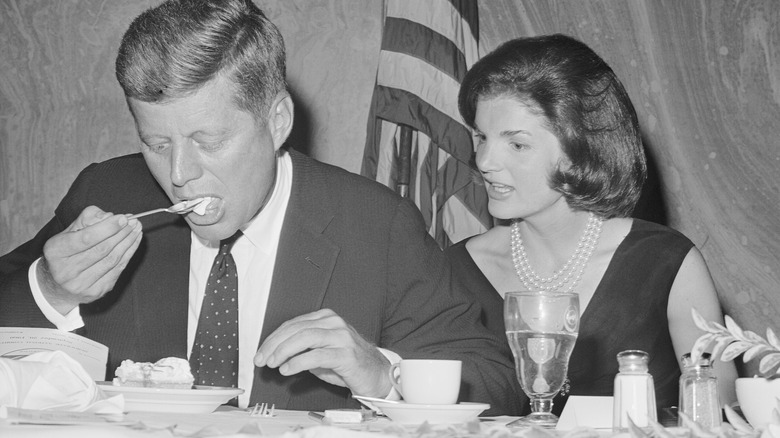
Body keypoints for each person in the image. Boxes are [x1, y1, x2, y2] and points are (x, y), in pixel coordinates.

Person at [0, 0, 522, 414]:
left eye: (209, 139)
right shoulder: (108, 192)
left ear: (277, 121)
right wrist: (50, 287)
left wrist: (384, 375)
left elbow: (496, 385)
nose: (179, 175)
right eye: (156, 144)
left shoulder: (376, 223)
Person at [445, 33, 738, 416]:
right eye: (481, 137)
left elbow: (721, 414)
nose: (484, 160)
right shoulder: (456, 269)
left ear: (578, 151)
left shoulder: (665, 262)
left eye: (516, 144)